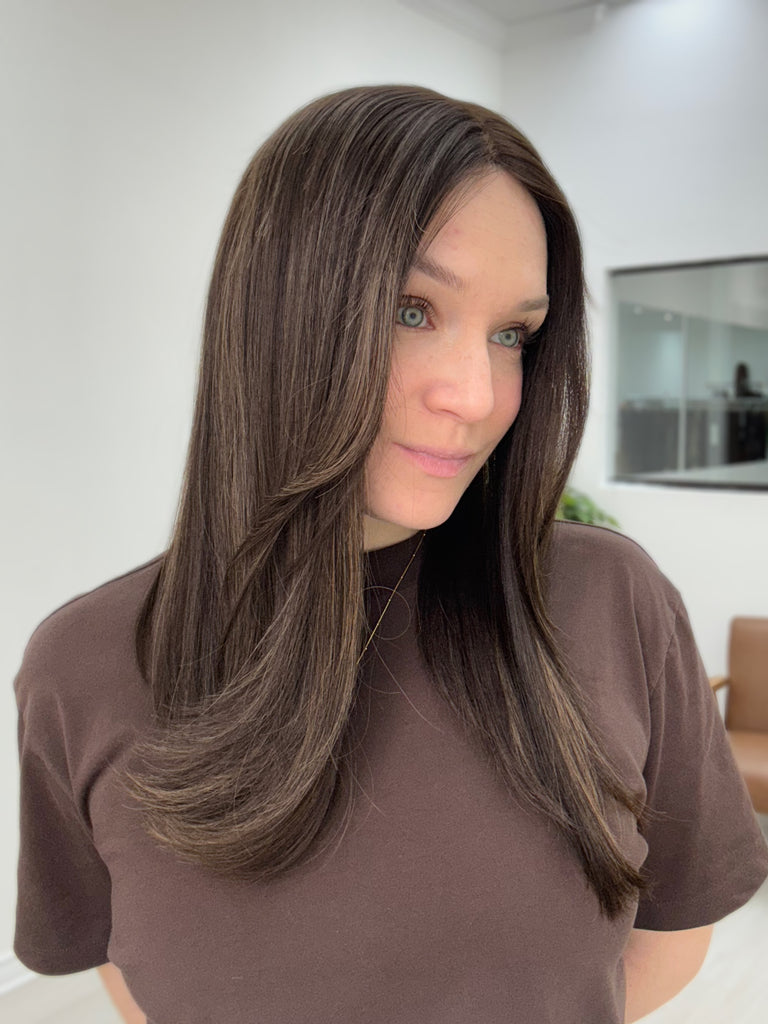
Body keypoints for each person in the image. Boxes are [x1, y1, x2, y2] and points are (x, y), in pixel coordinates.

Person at [13, 85, 768, 1024]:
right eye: (413, 310)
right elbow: (127, 972)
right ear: (275, 316)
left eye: (512, 335)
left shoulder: (608, 599)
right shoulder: (84, 666)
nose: (478, 395)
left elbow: (671, 934)